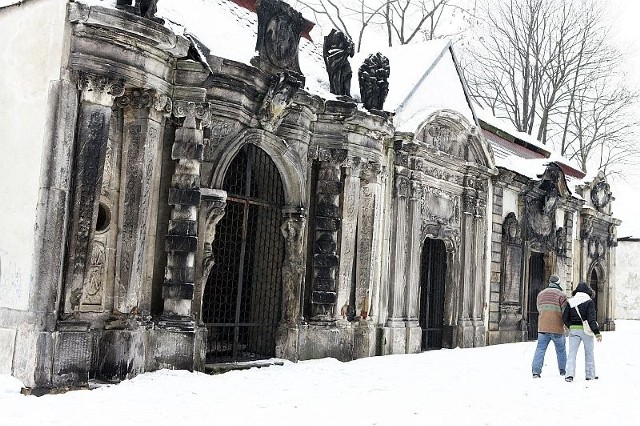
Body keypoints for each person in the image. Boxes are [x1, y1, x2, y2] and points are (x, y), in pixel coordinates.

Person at [562, 282, 602, 382]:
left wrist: (570, 326)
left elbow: (564, 317)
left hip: (574, 330)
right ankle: (590, 375)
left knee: (572, 353)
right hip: (586, 331)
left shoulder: (570, 302)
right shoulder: (589, 302)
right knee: (589, 353)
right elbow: (591, 319)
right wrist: (597, 332)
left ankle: (569, 375)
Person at [531, 274, 568, 378]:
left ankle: (536, 372)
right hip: (557, 328)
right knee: (561, 350)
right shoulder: (562, 295)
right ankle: (563, 370)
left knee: (540, 349)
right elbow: (565, 312)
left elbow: (539, 308)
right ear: (558, 283)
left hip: (543, 327)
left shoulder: (540, 294)